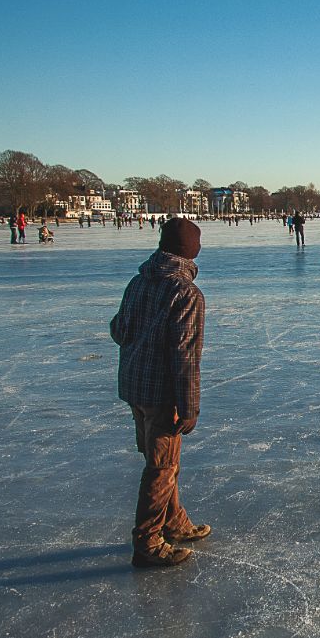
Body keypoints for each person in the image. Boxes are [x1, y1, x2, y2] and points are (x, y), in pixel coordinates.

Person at [109, 218, 210, 568]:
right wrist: (189, 406)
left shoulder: (138, 282)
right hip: (163, 392)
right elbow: (185, 355)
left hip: (134, 387)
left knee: (163, 462)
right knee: (162, 467)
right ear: (189, 250)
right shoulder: (186, 293)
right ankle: (148, 542)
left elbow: (118, 329)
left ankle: (174, 522)